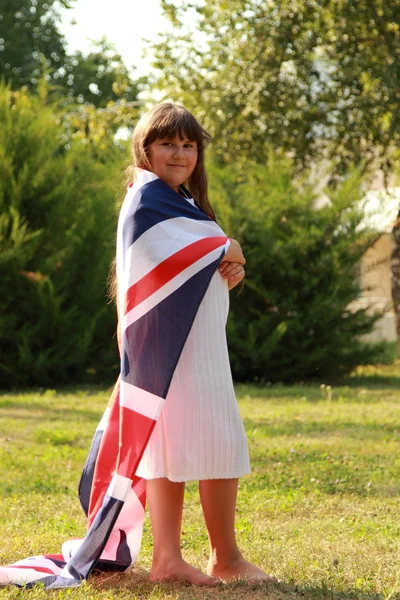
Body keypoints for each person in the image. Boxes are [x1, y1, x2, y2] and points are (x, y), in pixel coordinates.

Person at [122, 102, 272, 586]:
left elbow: (188, 265)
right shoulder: (149, 198)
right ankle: (218, 557)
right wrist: (227, 247)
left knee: (182, 441)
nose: (180, 153)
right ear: (146, 149)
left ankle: (176, 557)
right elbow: (201, 248)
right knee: (208, 439)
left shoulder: (179, 201)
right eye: (168, 143)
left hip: (193, 341)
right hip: (178, 345)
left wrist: (229, 268)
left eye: (189, 145)